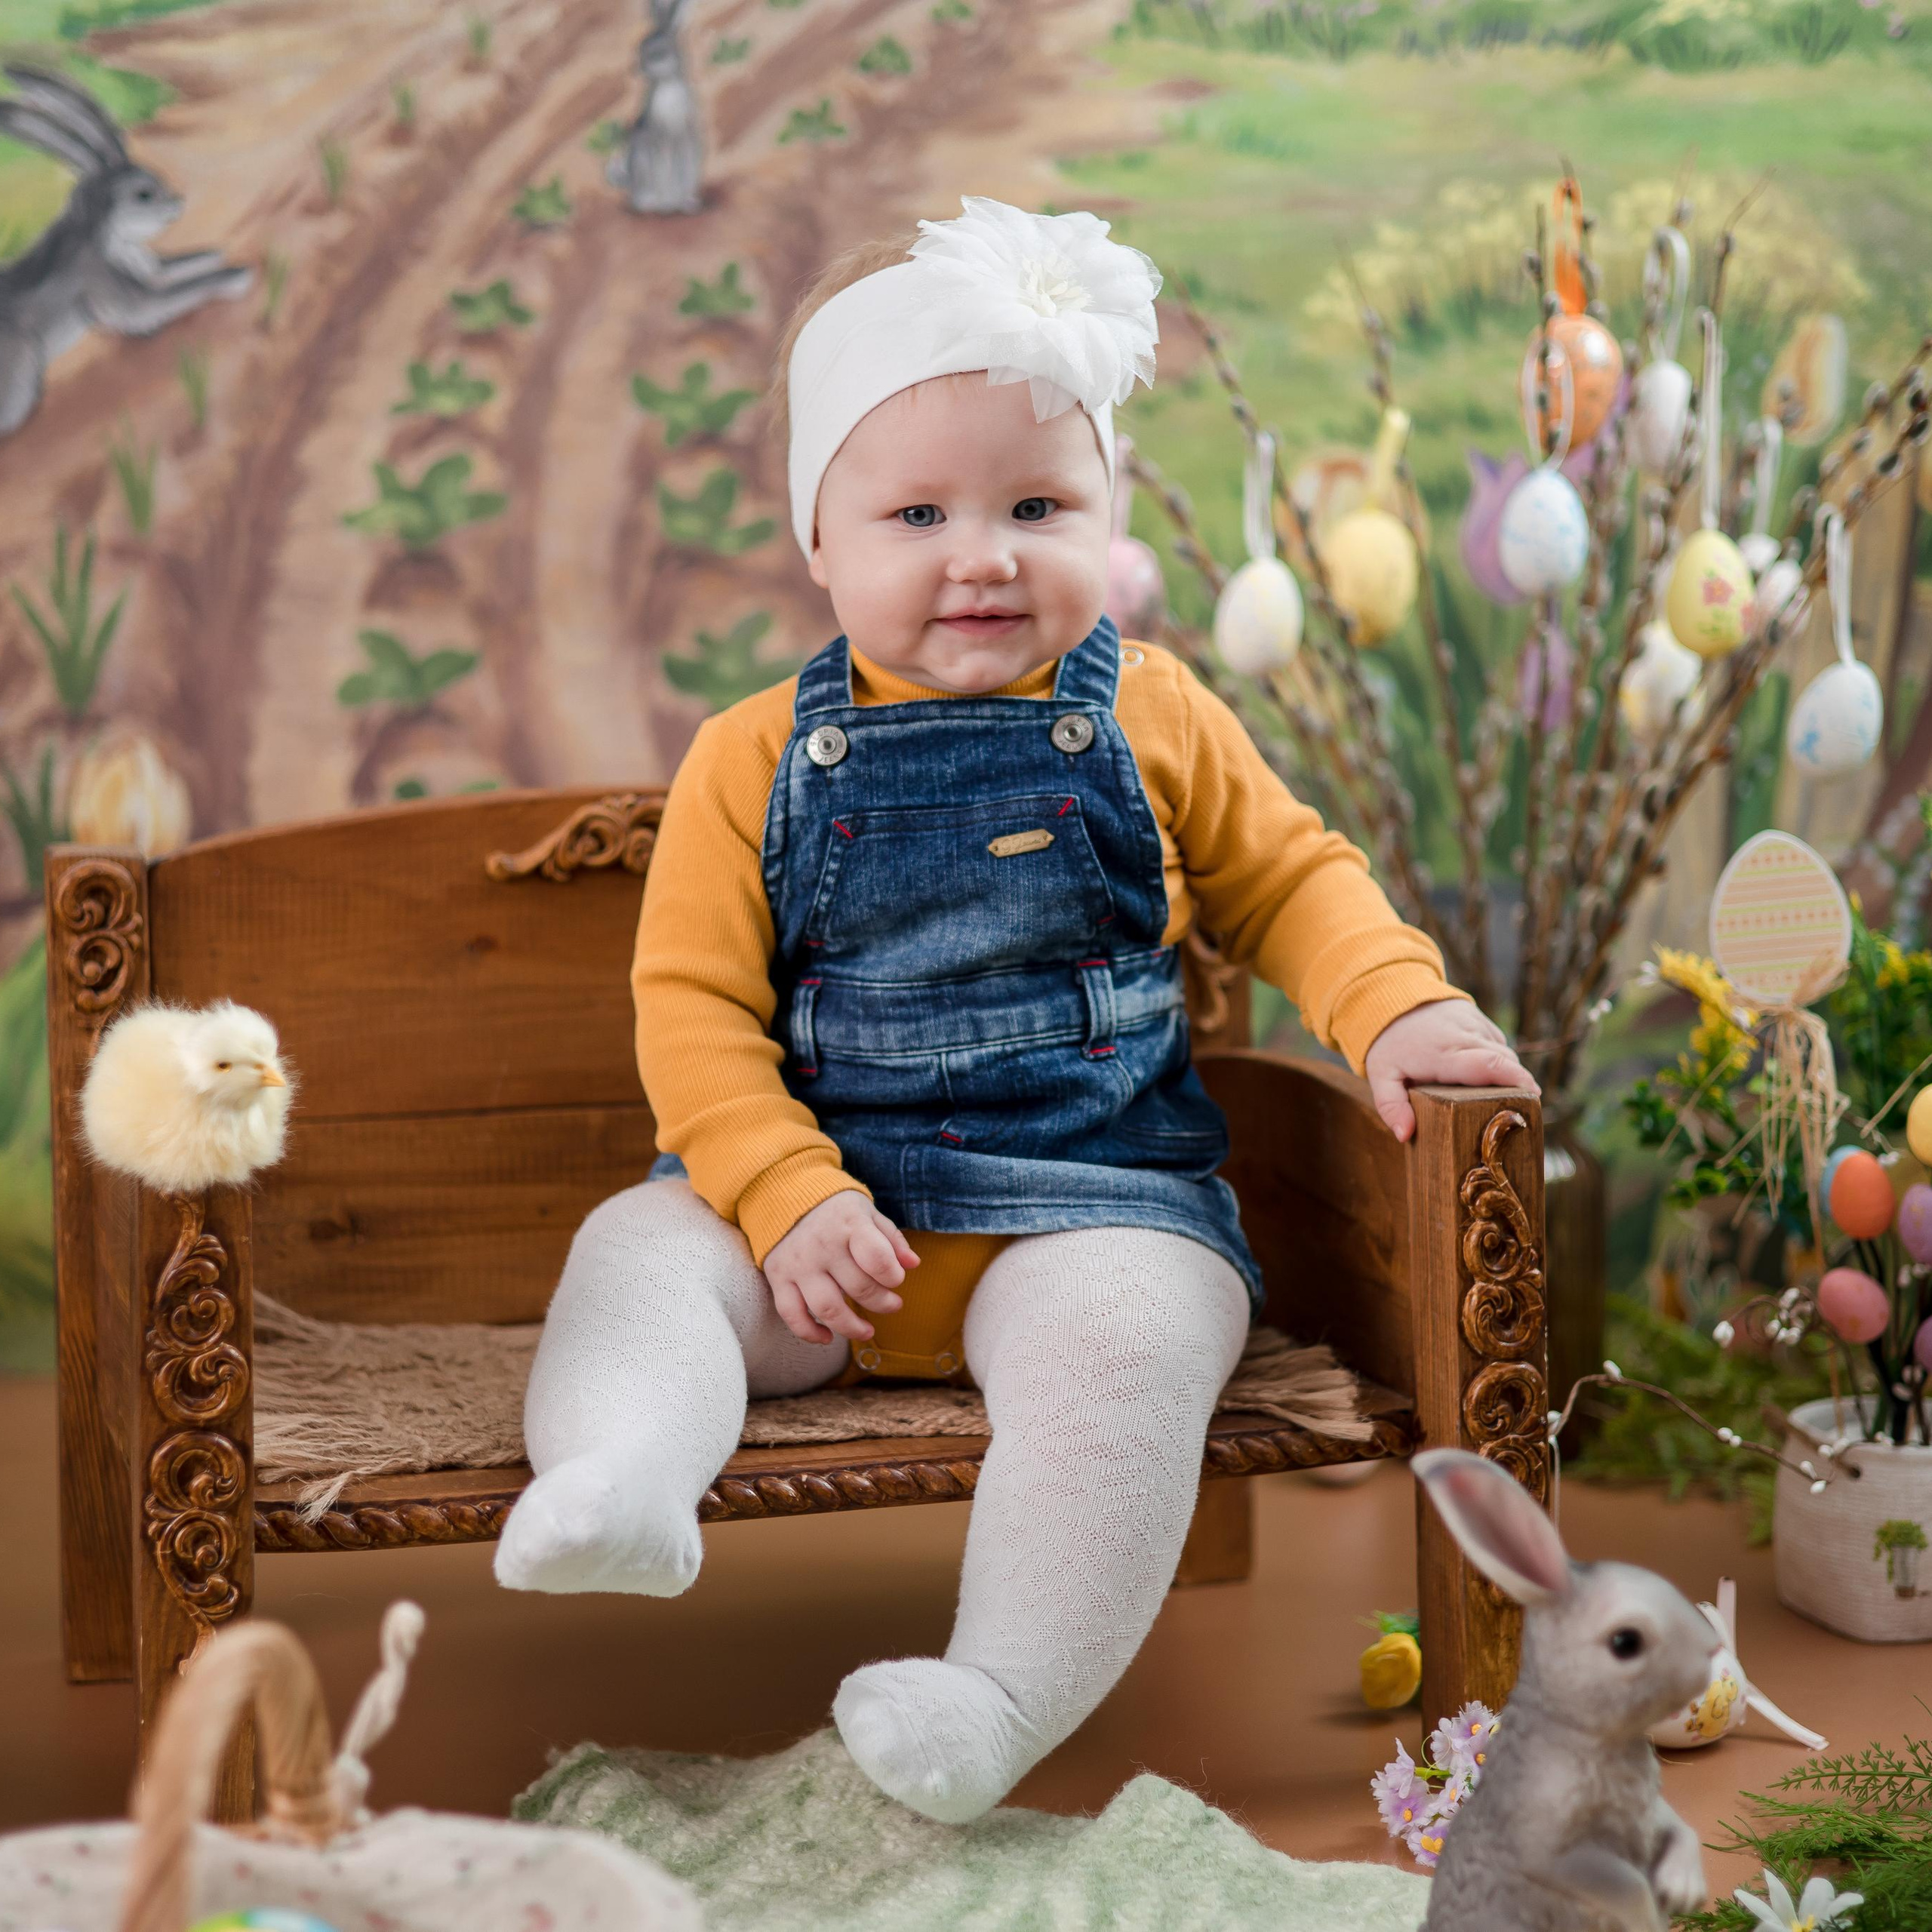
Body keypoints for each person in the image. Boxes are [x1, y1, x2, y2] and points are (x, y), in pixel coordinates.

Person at [496, 195, 1538, 1823]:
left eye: (1036, 502)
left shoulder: (1152, 711)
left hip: (1094, 1203)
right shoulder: (752, 754)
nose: (980, 552)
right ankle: (626, 1469)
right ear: (819, 539)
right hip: (815, 1232)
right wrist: (779, 1193)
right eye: (915, 509)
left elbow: (1292, 879)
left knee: (1129, 1357)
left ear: (1105, 517)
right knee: (636, 1258)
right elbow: (689, 1012)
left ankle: (994, 1693)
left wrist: (1391, 1009)